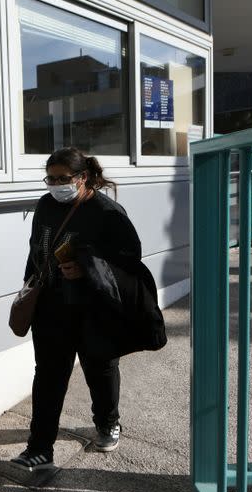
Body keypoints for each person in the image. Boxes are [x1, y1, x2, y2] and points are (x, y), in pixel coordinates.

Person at [11, 147, 150, 472]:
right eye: (51, 178)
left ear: (83, 177)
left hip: (94, 309)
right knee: (48, 376)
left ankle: (107, 422)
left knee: (99, 371)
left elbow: (130, 261)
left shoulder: (107, 212)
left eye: (63, 178)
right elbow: (36, 250)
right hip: (51, 306)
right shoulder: (46, 205)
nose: (56, 185)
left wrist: (88, 268)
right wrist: (28, 286)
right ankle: (40, 448)